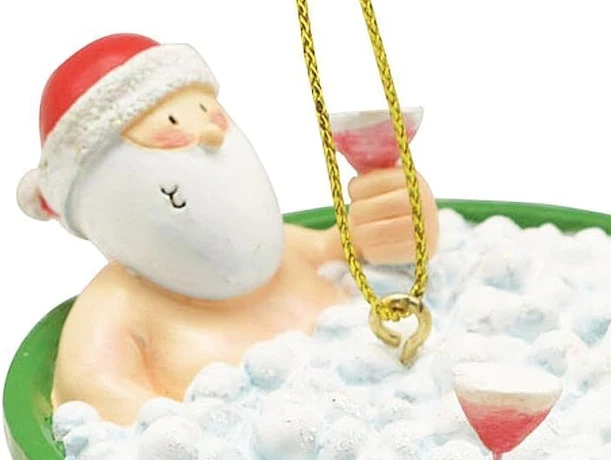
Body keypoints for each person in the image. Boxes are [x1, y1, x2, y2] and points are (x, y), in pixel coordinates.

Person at [17, 34, 439, 425]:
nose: (207, 134)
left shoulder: (285, 253)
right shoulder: (117, 308)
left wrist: (400, 223)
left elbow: (353, 248)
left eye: (207, 112)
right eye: (172, 123)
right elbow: (98, 394)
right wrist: (190, 431)